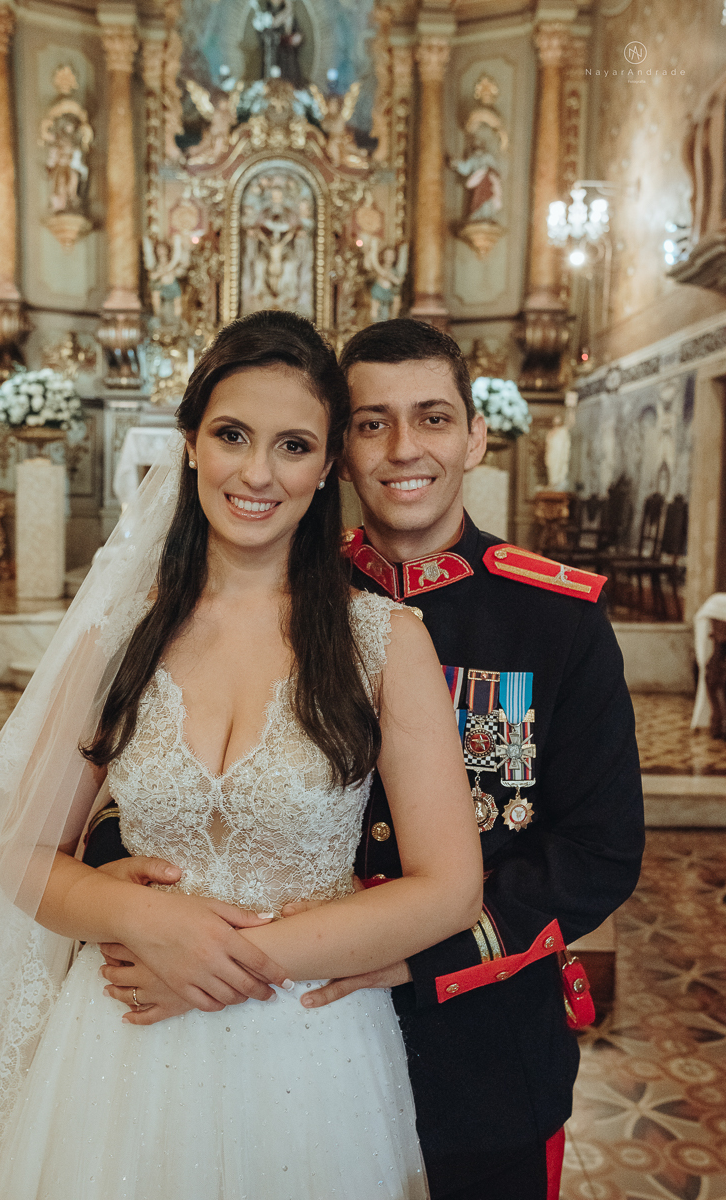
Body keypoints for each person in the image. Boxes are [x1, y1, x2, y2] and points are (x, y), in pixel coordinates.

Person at [0, 311, 483, 1200]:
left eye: (293, 445)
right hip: (120, 1035)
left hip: (309, 1047)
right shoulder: (120, 634)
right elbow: (20, 855)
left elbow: (449, 887)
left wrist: (221, 961)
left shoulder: (383, 641)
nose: (257, 473)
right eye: (231, 435)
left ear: (327, 466)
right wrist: (139, 918)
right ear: (189, 444)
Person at [98, 318, 644, 1200]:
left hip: (480, 1049)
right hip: (265, 1036)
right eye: (369, 422)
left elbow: (598, 850)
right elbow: (164, 770)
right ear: (338, 454)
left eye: (432, 418)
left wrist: (422, 954)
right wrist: (124, 883)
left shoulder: (553, 618)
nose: (402, 449)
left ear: (474, 437)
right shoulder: (272, 590)